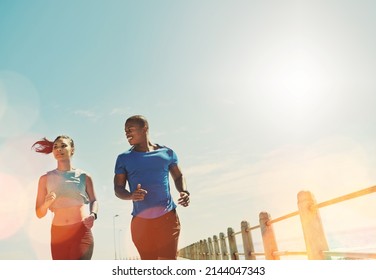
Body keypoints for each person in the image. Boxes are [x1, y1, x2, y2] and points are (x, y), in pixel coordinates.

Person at [114, 115, 190, 260]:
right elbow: (118, 188)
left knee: (168, 261)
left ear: (145, 129)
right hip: (141, 222)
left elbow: (179, 176)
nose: (127, 134)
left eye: (130, 129)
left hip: (168, 217)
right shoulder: (123, 158)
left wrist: (184, 191)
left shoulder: (167, 153)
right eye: (125, 131)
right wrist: (131, 195)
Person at [32, 135, 98, 260]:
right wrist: (46, 204)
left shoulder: (84, 176)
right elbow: (39, 213)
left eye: (63, 146)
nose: (59, 149)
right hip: (58, 234)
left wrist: (93, 214)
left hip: (81, 232)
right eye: (55, 147)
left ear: (72, 149)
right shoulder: (44, 179)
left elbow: (94, 200)